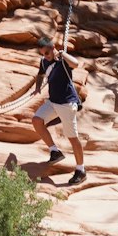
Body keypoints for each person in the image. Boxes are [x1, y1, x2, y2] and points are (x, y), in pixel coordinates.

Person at [32, 35, 86, 185]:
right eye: (43, 54)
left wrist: (63, 54)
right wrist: (37, 88)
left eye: (47, 53)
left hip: (67, 104)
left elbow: (76, 64)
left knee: (72, 137)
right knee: (37, 120)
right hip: (53, 102)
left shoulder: (62, 61)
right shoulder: (44, 62)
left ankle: (81, 170)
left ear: (53, 48)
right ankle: (55, 151)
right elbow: (40, 74)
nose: (45, 56)